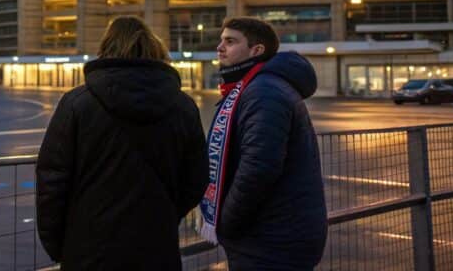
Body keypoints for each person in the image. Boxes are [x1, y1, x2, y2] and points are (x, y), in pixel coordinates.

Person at [36, 16, 208, 270]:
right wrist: (165, 215)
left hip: (89, 247)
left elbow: (52, 180)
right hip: (157, 245)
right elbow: (196, 178)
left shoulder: (77, 103)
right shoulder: (183, 106)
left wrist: (58, 243)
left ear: (105, 48)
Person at [200, 17, 327, 270]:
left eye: (230, 41)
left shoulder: (264, 91)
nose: (220, 47)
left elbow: (259, 167)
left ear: (256, 50)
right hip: (276, 232)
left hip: (272, 239)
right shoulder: (256, 87)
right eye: (221, 40)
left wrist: (227, 222)